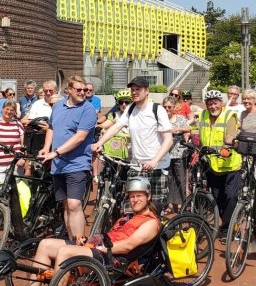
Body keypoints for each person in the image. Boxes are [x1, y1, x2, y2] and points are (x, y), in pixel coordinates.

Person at [1, 177, 161, 286]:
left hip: (110, 257)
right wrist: (88, 241)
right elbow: (110, 236)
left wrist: (99, 248)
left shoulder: (150, 223)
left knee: (65, 252)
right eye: (132, 196)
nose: (134, 200)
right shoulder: (128, 217)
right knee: (45, 244)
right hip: (98, 248)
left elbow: (128, 245)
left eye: (139, 196)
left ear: (148, 196)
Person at [92, 76, 173, 212]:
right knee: (133, 209)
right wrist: (100, 142)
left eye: (138, 89)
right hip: (136, 166)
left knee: (155, 210)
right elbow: (116, 127)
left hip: (157, 166)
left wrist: (154, 161)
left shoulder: (157, 110)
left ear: (147, 91)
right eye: (132, 90)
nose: (134, 92)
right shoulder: (130, 109)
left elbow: (168, 140)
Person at [38, 76, 97, 240]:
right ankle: (71, 243)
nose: (82, 93)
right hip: (58, 166)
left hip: (77, 164)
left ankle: (80, 248)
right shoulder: (58, 106)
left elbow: (80, 137)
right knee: (66, 205)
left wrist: (55, 152)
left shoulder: (88, 109)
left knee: (74, 204)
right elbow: (51, 128)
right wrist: (45, 148)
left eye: (84, 90)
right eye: (78, 89)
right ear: (69, 90)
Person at [196, 90, 241, 241]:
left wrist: (227, 145)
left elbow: (231, 133)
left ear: (221, 103)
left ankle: (228, 228)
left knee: (231, 196)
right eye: (209, 104)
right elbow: (202, 134)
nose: (212, 106)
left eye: (215, 103)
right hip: (211, 164)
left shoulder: (230, 115)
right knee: (217, 198)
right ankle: (223, 224)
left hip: (229, 164)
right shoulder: (203, 115)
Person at [162, 96, 190, 212]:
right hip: (165, 155)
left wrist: (178, 129)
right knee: (167, 180)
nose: (167, 109)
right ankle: (168, 204)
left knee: (180, 179)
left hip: (178, 154)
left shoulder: (180, 118)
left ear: (174, 108)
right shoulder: (160, 119)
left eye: (169, 107)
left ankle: (184, 205)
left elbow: (188, 128)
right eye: (165, 107)